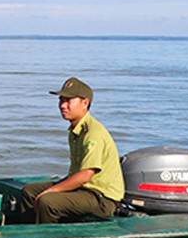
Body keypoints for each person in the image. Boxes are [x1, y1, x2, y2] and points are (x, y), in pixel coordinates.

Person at [22, 77, 123, 224]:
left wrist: (51, 191)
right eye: (61, 100)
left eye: (68, 101)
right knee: (29, 192)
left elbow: (85, 176)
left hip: (101, 196)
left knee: (47, 201)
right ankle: (27, 234)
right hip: (83, 190)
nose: (63, 105)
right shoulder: (75, 130)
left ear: (85, 103)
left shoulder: (93, 133)